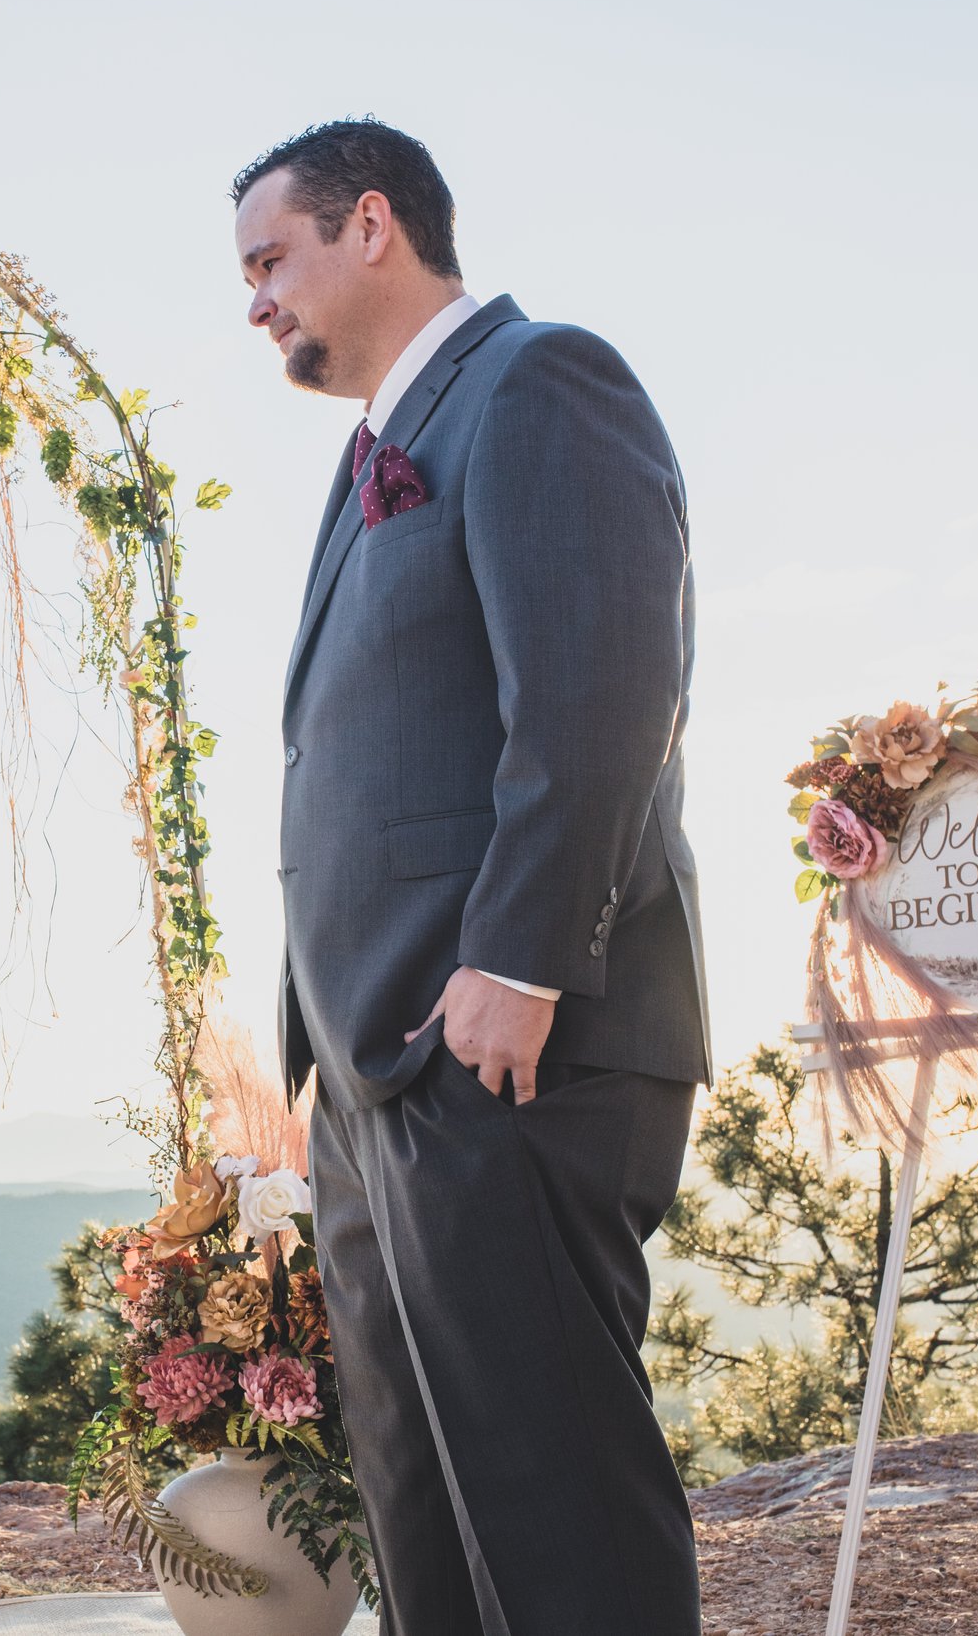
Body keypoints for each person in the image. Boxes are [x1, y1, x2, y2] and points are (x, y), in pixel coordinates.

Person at [234, 120, 710, 1634]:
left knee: (552, 1515)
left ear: (371, 224)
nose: (255, 301)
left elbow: (599, 691)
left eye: (270, 260)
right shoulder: (378, 448)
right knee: (426, 1523)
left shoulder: (540, 382)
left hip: (508, 1041)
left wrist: (519, 960)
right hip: (381, 1071)